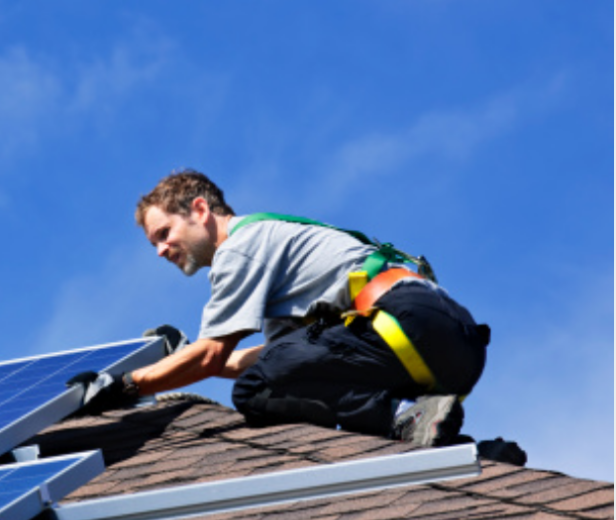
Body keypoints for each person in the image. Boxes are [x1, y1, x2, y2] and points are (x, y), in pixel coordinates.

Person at [72, 169, 491, 447]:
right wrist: (185, 359)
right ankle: (457, 448)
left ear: (199, 209)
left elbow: (216, 353)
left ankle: (403, 416)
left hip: (406, 326)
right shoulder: (275, 250)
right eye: (154, 244)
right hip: (451, 345)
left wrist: (125, 385)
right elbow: (269, 357)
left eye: (164, 233)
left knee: (256, 391)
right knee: (271, 371)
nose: (161, 250)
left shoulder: (240, 248)